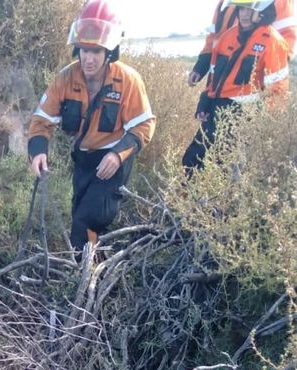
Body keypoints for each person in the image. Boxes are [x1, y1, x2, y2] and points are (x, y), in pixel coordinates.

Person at [27, 0, 156, 256]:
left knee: (87, 220)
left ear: (110, 51)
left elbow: (144, 124)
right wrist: (38, 151)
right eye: (84, 50)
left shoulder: (128, 80)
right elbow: (41, 120)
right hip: (84, 158)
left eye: (96, 51)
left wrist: (117, 155)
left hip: (113, 159)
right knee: (81, 214)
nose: (88, 58)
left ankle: (82, 277)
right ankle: (99, 263)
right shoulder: (66, 78)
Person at [182, 0, 290, 173]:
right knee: (192, 159)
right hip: (217, 109)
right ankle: (186, 198)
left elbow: (278, 90)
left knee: (225, 167)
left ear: (261, 11)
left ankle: (216, 198)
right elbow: (214, 75)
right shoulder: (228, 37)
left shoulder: (273, 42)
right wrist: (205, 101)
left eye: (249, 10)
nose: (244, 15)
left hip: (244, 115)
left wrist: (267, 127)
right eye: (241, 9)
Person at [187, 0, 295, 88]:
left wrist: (257, 70)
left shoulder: (280, 2)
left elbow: (286, 41)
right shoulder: (224, 3)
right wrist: (200, 67)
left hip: (250, 85)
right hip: (218, 80)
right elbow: (214, 37)